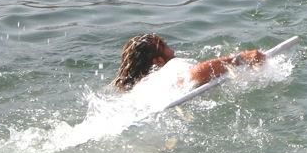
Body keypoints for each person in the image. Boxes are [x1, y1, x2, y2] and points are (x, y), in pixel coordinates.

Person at [113, 34, 265, 93]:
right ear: (158, 61)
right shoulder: (172, 65)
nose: (170, 48)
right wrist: (242, 58)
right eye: (164, 45)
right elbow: (191, 76)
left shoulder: (138, 88)